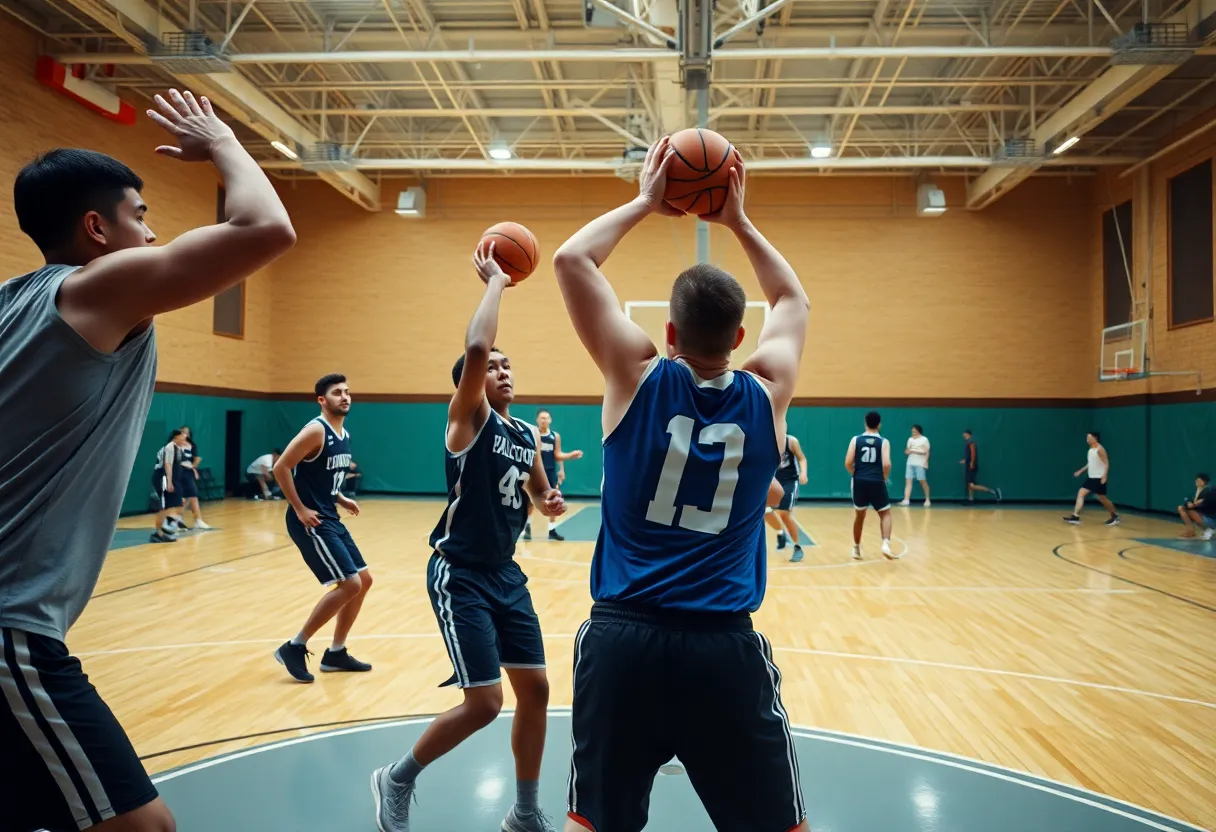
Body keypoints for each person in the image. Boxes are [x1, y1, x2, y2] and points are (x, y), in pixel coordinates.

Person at [0, 89, 294, 832]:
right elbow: (266, 229)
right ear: (96, 229)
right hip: (11, 626)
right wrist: (221, 141)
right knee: (144, 826)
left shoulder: (10, 303)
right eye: (141, 216)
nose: (154, 232)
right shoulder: (96, 287)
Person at [552, 137, 811, 832]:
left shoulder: (635, 375)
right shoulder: (768, 392)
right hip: (721, 647)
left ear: (668, 330)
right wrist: (738, 220)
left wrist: (646, 199)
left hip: (622, 640)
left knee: (593, 822)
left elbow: (571, 259)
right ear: (740, 336)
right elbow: (791, 297)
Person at [371, 244, 566, 832]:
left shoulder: (525, 434)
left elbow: (541, 494)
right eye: (494, 368)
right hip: (460, 573)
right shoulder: (468, 420)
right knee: (485, 702)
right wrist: (496, 284)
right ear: (472, 385)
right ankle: (396, 777)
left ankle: (524, 812)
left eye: (510, 366)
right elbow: (477, 349)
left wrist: (549, 502)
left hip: (505, 574)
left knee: (536, 689)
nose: (503, 371)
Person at [273, 374, 372, 682]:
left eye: (347, 392)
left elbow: (323, 476)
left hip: (330, 513)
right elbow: (281, 467)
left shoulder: (344, 434)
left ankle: (336, 653)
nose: (345, 397)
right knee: (350, 584)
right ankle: (294, 646)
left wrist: (340, 497)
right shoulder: (316, 430)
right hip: (311, 519)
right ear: (322, 400)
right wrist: (300, 508)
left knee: (364, 580)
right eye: (337, 392)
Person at [524, 409, 583, 541]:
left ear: (550, 420)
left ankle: (552, 529)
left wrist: (569, 457)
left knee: (553, 499)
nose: (544, 420)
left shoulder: (554, 436)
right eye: (542, 418)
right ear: (537, 420)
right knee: (530, 502)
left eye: (546, 418)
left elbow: (557, 455)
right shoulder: (533, 434)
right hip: (535, 472)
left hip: (550, 471)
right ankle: (527, 527)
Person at [846, 411, 898, 561]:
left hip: (859, 481)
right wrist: (884, 477)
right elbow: (886, 464)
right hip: (876, 480)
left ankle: (856, 549)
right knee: (885, 513)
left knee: (859, 516)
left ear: (865, 423)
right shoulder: (884, 442)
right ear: (879, 424)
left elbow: (848, 462)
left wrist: (856, 474)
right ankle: (886, 545)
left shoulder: (856, 440)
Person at [764, 432, 808, 562]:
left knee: (784, 513)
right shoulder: (765, 442)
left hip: (790, 481)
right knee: (764, 511)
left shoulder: (791, 441)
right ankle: (780, 532)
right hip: (773, 480)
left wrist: (803, 473)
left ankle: (797, 547)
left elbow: (802, 458)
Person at [1063, 431, 1120, 526]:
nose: (1087, 439)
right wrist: (1081, 470)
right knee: (1081, 493)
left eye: (1089, 437)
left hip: (1099, 478)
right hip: (1091, 478)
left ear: (1095, 438)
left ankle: (1114, 516)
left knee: (1102, 499)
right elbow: (1090, 463)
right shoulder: (1090, 450)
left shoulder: (1100, 449)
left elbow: (1106, 463)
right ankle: (1075, 516)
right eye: (1087, 438)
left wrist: (1105, 476)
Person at [151, 429, 186, 543]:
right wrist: (169, 482)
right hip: (163, 478)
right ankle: (159, 532)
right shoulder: (169, 447)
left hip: (172, 479)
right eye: (182, 438)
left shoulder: (178, 448)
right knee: (165, 507)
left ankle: (168, 524)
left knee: (179, 504)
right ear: (175, 437)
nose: (184, 440)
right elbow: (168, 465)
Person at [177, 425, 210, 529]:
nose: (184, 434)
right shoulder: (175, 445)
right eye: (182, 432)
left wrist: (194, 467)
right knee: (190, 495)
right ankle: (195, 520)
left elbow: (194, 460)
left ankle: (179, 518)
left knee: (190, 496)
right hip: (179, 471)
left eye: (186, 433)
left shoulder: (192, 445)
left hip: (188, 471)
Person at [960, 429, 1001, 502]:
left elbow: (973, 454)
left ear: (968, 434)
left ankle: (994, 492)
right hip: (969, 466)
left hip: (971, 467)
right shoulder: (968, 442)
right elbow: (969, 455)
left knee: (971, 486)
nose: (963, 436)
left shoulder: (971, 442)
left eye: (964, 434)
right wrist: (965, 460)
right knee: (970, 485)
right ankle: (971, 499)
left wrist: (972, 463)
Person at [900, 424, 931, 507]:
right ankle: (906, 500)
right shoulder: (910, 439)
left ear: (919, 431)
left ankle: (927, 499)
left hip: (920, 463)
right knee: (908, 481)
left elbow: (926, 451)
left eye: (915, 431)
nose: (913, 433)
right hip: (910, 463)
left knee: (922, 481)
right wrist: (907, 451)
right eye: (912, 431)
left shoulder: (924, 439)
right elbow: (907, 450)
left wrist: (926, 462)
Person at [1178, 473, 1215, 540]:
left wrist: (1194, 505)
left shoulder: (1210, 491)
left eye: (1199, 481)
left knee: (1191, 511)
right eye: (1196, 481)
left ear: (1205, 482)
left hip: (1211, 519)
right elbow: (1187, 501)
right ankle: (1191, 531)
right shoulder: (1195, 492)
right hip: (1202, 515)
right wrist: (1188, 503)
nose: (1197, 482)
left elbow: (1203, 502)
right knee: (1181, 508)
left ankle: (1209, 529)